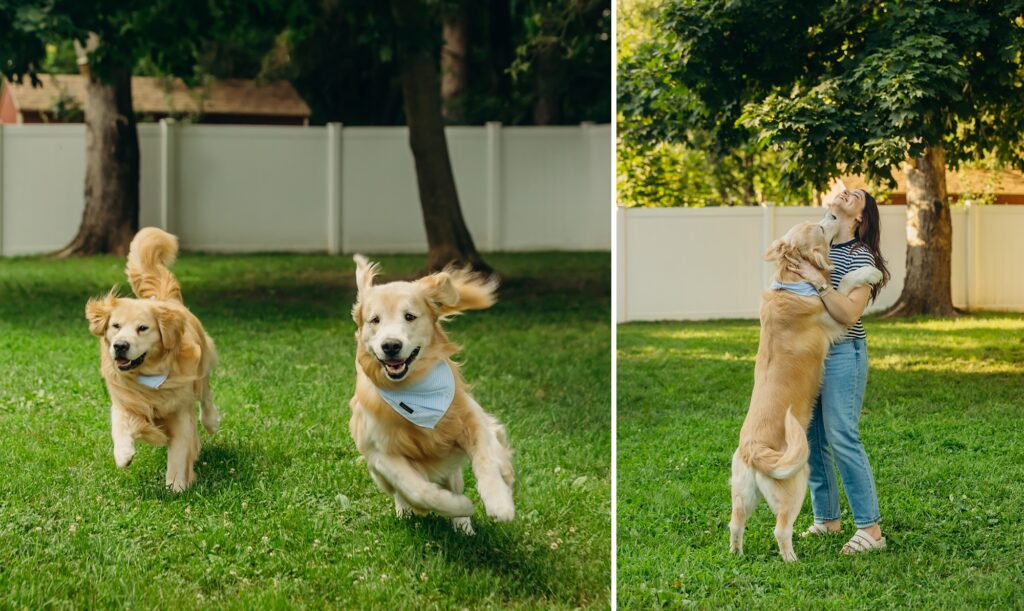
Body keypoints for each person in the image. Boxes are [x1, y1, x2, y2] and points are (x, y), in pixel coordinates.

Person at [786, 188, 891, 554]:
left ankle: (871, 530)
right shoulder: (820, 242)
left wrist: (817, 280)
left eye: (857, 195)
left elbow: (848, 314)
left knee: (842, 435)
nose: (847, 192)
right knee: (813, 440)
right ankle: (827, 519)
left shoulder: (861, 256)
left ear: (860, 217)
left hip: (845, 351)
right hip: (812, 353)